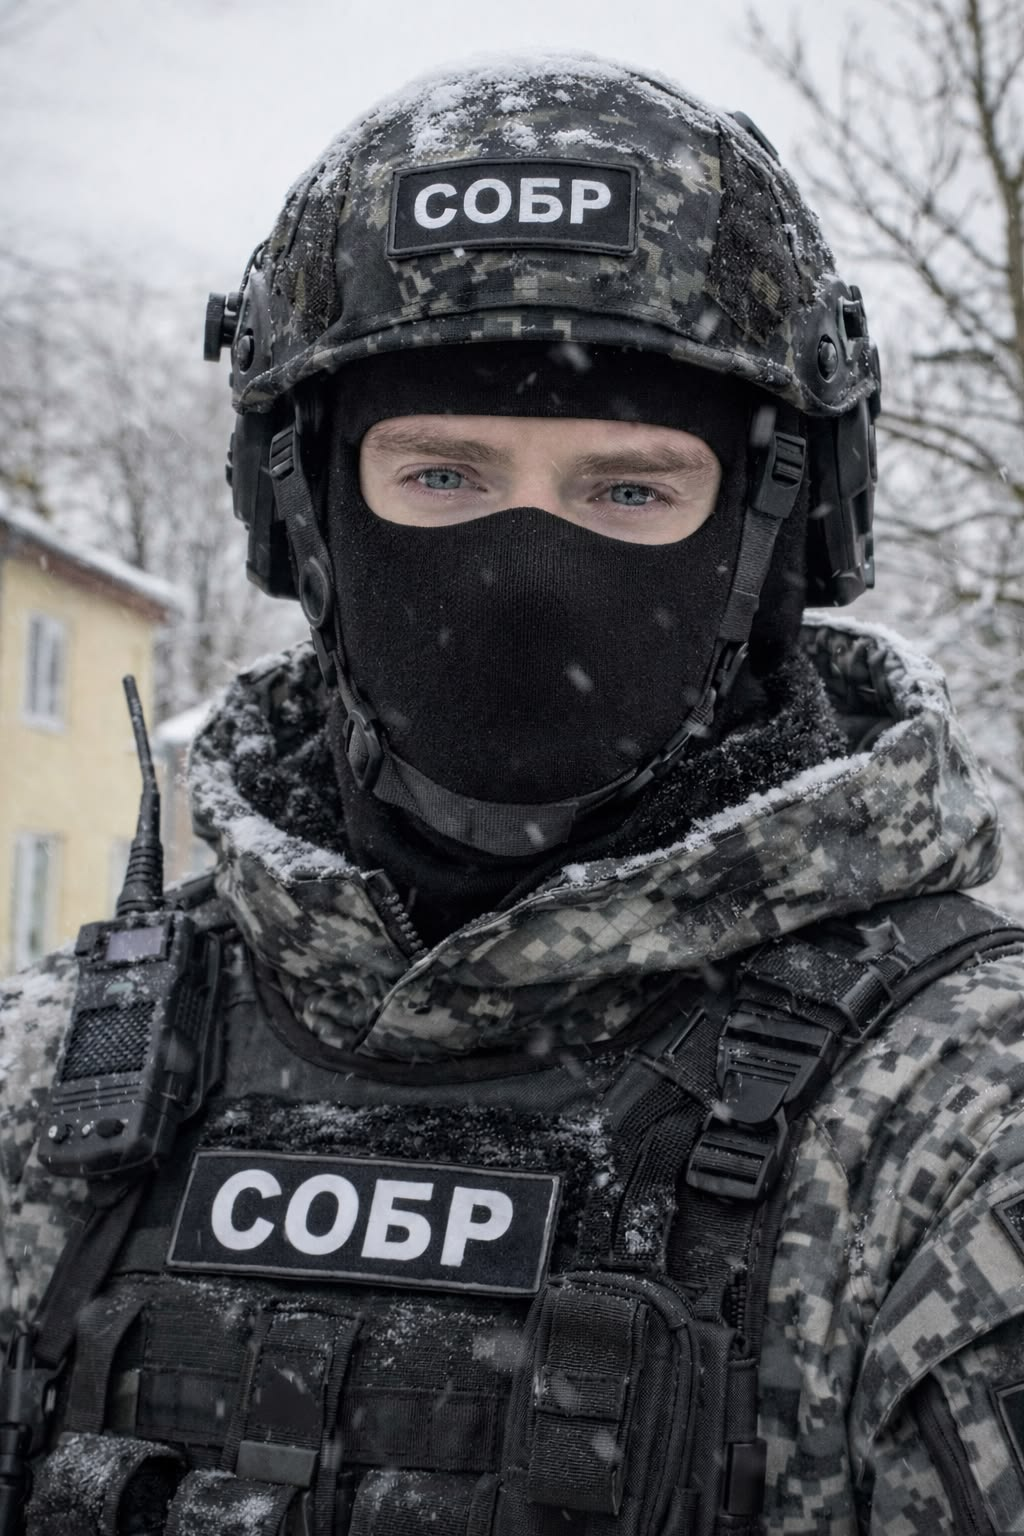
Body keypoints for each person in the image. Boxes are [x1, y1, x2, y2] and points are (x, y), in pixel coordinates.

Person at [2, 54, 1023, 1536]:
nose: (525, 580)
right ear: (303, 518)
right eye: (443, 477)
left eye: (630, 490)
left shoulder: (957, 1122)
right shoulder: (57, 1073)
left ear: (774, 540)